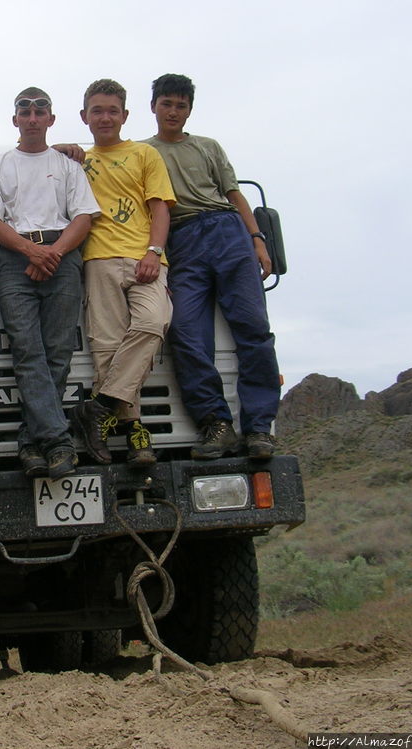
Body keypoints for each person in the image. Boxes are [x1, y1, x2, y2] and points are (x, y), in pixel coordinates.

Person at [143, 74, 281, 460]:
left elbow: (234, 194)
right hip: (181, 239)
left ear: (189, 110)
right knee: (186, 333)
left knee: (253, 329)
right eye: (167, 103)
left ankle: (258, 429)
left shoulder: (208, 146)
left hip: (226, 231)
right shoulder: (142, 152)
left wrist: (257, 240)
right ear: (153, 106)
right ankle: (215, 424)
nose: (173, 111)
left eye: (181, 105)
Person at [0, 87, 100, 479]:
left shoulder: (68, 166)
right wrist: (32, 252)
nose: (32, 117)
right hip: (14, 262)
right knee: (27, 352)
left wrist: (54, 253)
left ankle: (31, 443)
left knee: (58, 353)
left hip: (62, 257)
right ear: (15, 120)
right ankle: (59, 442)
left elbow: (83, 217)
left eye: (39, 110)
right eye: (24, 111)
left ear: (50, 119)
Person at [70, 79, 176, 468]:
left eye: (112, 110)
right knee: (108, 348)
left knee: (153, 323)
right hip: (98, 258)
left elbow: (160, 207)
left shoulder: (144, 154)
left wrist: (154, 250)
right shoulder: (78, 160)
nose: (105, 117)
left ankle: (98, 408)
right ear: (84, 116)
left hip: (144, 258)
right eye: (97, 110)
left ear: (125, 115)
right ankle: (134, 433)